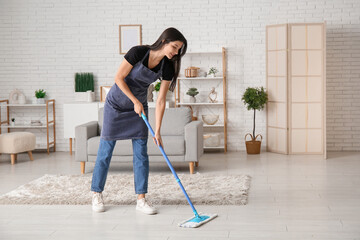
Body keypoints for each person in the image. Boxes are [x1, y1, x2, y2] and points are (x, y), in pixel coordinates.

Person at [91, 27, 187, 214]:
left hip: (139, 109)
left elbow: (160, 101)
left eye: (178, 50)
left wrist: (157, 131)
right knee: (105, 152)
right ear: (164, 40)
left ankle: (141, 199)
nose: (175, 53)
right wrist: (134, 100)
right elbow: (118, 78)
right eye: (174, 47)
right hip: (116, 105)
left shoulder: (166, 66)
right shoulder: (138, 52)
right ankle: (96, 193)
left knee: (141, 154)